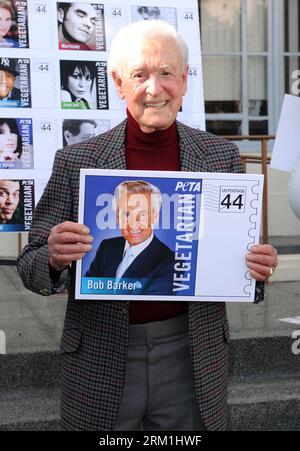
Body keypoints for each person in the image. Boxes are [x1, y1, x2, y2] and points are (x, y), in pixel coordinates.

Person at [17, 20, 278, 431]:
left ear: (185, 80)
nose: (154, 88)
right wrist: (51, 258)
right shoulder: (77, 161)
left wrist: (256, 268)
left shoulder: (221, 157)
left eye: (166, 73)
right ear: (119, 84)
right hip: (100, 359)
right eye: (139, 74)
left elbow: (239, 264)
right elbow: (30, 264)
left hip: (191, 356)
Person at [86, 180, 175, 295]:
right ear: (118, 217)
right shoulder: (106, 247)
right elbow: (88, 288)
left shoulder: (169, 262)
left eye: (142, 214)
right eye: (127, 214)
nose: (133, 224)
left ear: (155, 216)